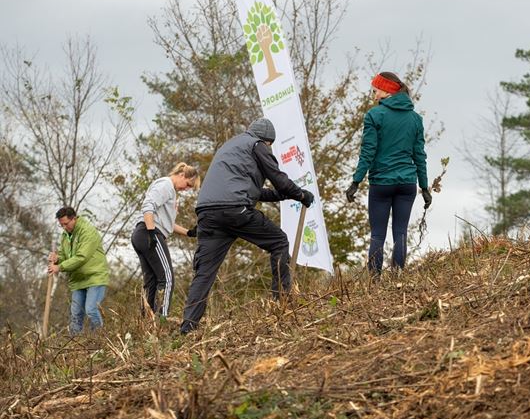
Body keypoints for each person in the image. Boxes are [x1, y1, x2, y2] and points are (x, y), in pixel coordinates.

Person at [180, 118, 314, 334]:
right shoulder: (257, 145)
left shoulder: (231, 146)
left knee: (204, 272)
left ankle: (187, 327)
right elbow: (278, 178)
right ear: (267, 140)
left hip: (207, 213)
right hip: (234, 210)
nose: (269, 148)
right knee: (279, 241)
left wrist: (282, 196)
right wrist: (300, 194)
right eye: (270, 145)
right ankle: (282, 303)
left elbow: (252, 190)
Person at [345, 72, 429, 275]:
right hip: (407, 183)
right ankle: (398, 277)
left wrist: (356, 181)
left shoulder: (374, 115)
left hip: (382, 183)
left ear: (386, 90)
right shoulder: (415, 119)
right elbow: (419, 155)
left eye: (375, 91)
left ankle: (374, 282)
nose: (373, 96)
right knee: (400, 232)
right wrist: (424, 187)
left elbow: (368, 152)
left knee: (377, 235)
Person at [131, 162, 200, 319]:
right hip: (148, 232)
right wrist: (151, 233)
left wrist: (189, 232)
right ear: (182, 175)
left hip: (142, 234)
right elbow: (148, 206)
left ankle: (147, 322)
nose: (187, 189)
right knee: (167, 279)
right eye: (188, 184)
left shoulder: (171, 191)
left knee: (152, 282)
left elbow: (166, 223)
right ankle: (162, 320)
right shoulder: (166, 185)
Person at [47, 207, 110, 335]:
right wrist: (57, 258)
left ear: (74, 218)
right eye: (61, 225)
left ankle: (99, 341)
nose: (64, 227)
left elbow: (82, 257)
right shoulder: (65, 235)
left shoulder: (87, 231)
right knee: (76, 315)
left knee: (91, 309)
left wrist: (60, 267)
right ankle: (74, 346)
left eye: (66, 224)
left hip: (94, 277)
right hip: (77, 280)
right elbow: (66, 256)